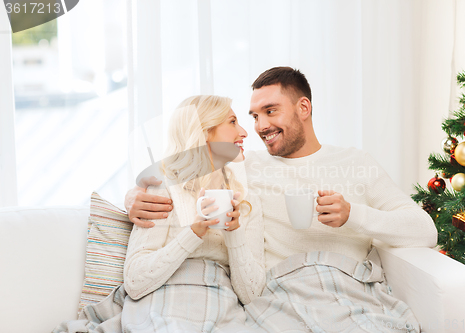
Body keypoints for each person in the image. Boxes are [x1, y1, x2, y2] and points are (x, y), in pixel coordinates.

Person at [125, 67, 438, 332]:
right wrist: (132, 198)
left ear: (303, 108)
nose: (260, 127)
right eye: (254, 116)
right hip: (283, 294)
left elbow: (424, 230)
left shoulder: (357, 163)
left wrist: (353, 214)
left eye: (270, 111)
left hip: (351, 288)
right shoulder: (244, 167)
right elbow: (181, 172)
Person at [54, 95, 266, 333]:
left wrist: (234, 232)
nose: (245, 132)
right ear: (205, 131)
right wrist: (192, 234)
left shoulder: (248, 202)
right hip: (163, 304)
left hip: (219, 306)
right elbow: (135, 282)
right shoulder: (162, 189)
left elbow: (252, 295)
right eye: (233, 122)